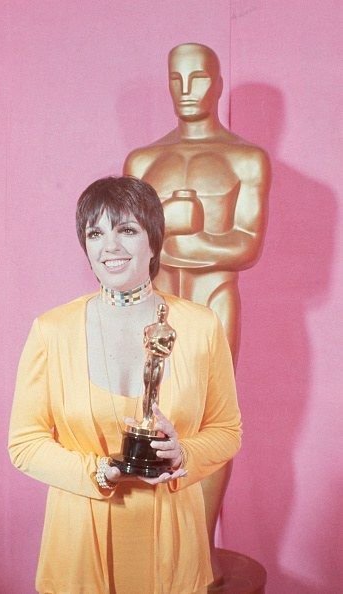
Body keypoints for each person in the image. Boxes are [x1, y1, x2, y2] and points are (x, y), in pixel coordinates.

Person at [8, 175, 242, 594]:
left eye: (126, 230)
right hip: (79, 543)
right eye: (95, 233)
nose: (109, 246)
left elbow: (227, 432)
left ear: (154, 241)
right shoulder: (51, 330)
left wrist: (183, 451)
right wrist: (98, 471)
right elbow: (24, 444)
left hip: (172, 543)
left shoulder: (201, 326)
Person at [124, 42, 270, 583]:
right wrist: (189, 230)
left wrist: (175, 228)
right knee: (149, 416)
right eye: (176, 80)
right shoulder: (142, 160)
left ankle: (200, 553)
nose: (187, 92)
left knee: (210, 420)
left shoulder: (245, 158)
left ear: (218, 81)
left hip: (212, 303)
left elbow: (246, 246)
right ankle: (161, 548)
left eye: (199, 79)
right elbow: (129, 247)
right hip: (153, 305)